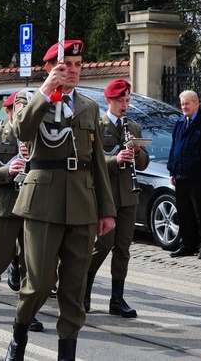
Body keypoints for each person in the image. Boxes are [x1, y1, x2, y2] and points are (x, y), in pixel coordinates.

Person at [4, 40, 116, 361]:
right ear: (51, 67)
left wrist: (106, 209)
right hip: (42, 200)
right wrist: (45, 91)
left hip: (82, 202)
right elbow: (22, 131)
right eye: (67, 65)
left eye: (79, 65)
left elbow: (97, 160)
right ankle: (20, 331)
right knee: (39, 283)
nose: (74, 71)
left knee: (74, 288)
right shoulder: (29, 98)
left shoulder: (88, 106)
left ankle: (66, 353)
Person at [0, 91, 44, 331]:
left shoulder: (40, 136)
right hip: (5, 206)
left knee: (30, 261)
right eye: (20, 108)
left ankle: (26, 312)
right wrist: (8, 171)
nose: (24, 113)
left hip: (33, 206)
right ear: (10, 110)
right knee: (0, 257)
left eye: (29, 109)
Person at [84, 79, 150, 318]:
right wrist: (115, 160)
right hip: (106, 194)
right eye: (121, 100)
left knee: (123, 249)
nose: (125, 104)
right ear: (109, 101)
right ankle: (84, 291)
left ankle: (117, 299)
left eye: (128, 100)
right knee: (101, 246)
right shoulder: (98, 127)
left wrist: (137, 152)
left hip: (128, 196)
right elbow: (90, 162)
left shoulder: (133, 127)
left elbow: (143, 163)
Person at [167, 90, 201, 259]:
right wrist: (172, 169)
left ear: (196, 103)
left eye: (187, 103)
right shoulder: (180, 122)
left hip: (198, 174)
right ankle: (187, 244)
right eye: (182, 104)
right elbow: (175, 146)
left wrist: (198, 158)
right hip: (181, 174)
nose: (184, 107)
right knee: (184, 211)